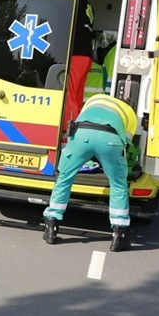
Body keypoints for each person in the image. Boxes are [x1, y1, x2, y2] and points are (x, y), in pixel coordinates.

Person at [43, 94, 137, 252]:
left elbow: (83, 119)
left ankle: (51, 227)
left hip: (81, 134)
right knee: (118, 185)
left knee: (64, 178)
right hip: (110, 139)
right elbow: (126, 144)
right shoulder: (130, 113)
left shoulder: (97, 98)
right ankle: (118, 236)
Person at [62, 0, 95, 130]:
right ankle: (77, 125)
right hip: (85, 55)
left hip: (76, 54)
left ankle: (67, 129)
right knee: (77, 95)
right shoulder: (88, 5)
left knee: (69, 95)